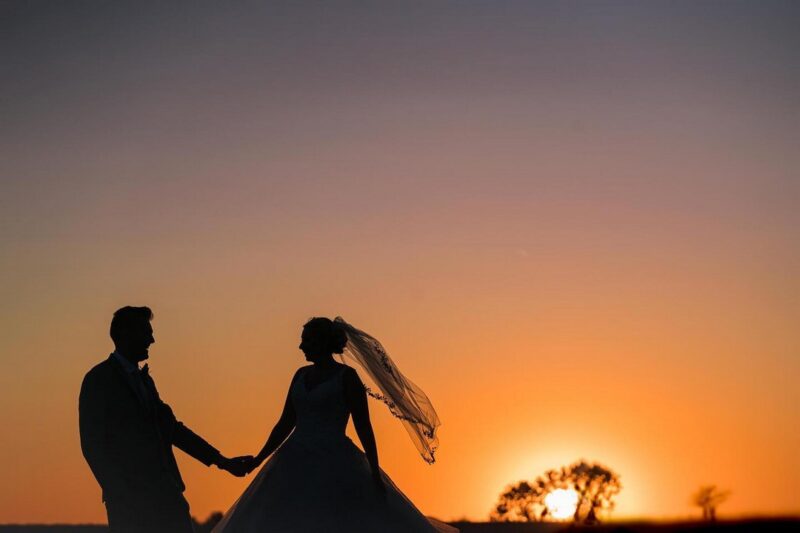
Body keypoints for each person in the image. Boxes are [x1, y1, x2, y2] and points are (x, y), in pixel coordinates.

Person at [213, 317, 457, 533]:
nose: (301, 346)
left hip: (336, 461)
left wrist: (374, 472)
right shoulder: (300, 375)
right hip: (293, 461)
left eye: (306, 340)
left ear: (321, 343)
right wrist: (258, 459)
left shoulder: (347, 378)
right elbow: (285, 423)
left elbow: (364, 428)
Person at [79, 306, 253, 533]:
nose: (152, 339)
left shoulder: (146, 382)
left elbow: (172, 430)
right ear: (124, 334)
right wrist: (119, 491)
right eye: (146, 332)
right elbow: (92, 445)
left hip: (168, 495)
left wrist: (222, 461)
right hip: (129, 504)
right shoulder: (98, 380)